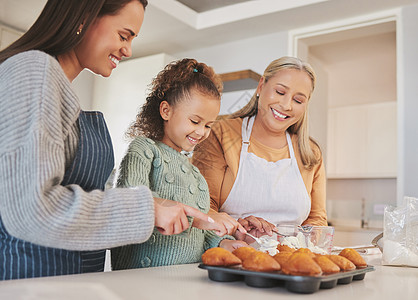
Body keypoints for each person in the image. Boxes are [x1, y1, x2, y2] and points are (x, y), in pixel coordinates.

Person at [0, 0, 222, 281]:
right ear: (84, 17)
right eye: (123, 35)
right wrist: (148, 210)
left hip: (68, 278)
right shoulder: (34, 71)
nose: (128, 49)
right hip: (29, 280)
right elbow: (31, 208)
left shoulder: (54, 85)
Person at [111, 58, 247, 270]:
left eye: (208, 125)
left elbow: (201, 236)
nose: (201, 132)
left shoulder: (197, 176)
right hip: (141, 279)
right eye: (195, 121)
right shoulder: (144, 150)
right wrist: (205, 218)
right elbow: (131, 205)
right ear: (166, 111)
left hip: (186, 280)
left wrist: (223, 243)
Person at [192, 56, 327, 242]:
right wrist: (239, 231)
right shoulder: (221, 134)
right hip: (233, 256)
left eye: (298, 100)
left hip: (291, 260)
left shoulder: (310, 152)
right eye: (280, 92)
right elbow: (204, 208)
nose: (286, 105)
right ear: (261, 86)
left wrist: (302, 244)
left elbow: (317, 220)